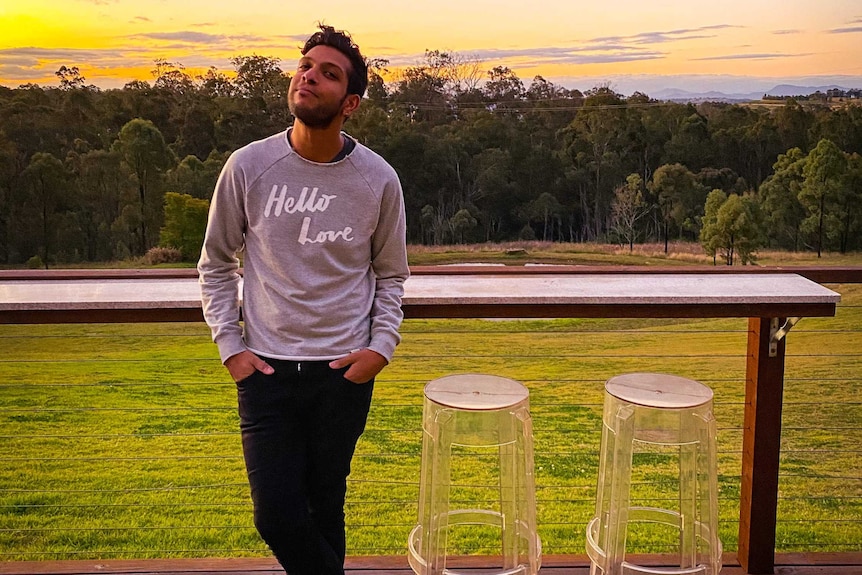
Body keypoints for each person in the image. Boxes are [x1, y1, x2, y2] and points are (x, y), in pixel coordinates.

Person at [197, 24, 409, 575]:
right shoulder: (248, 167)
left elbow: (391, 276)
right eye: (306, 65)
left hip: (341, 373)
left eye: (328, 72)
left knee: (325, 505)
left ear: (351, 102)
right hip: (265, 373)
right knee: (276, 516)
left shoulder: (378, 180)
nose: (309, 74)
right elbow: (216, 263)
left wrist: (379, 351)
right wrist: (231, 348)